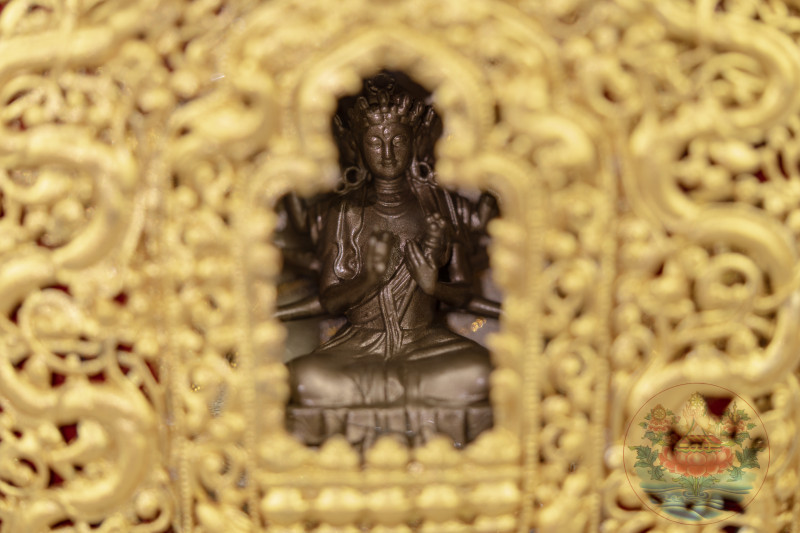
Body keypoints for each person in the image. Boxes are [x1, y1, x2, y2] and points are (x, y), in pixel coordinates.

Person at [280, 74, 498, 445]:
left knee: (482, 373)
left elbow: (462, 292)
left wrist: (434, 286)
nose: (387, 152)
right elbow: (330, 299)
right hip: (359, 346)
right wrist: (370, 278)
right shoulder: (345, 212)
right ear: (359, 147)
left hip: (426, 342)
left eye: (397, 140)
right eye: (375, 141)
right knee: (304, 379)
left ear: (414, 143)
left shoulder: (439, 206)